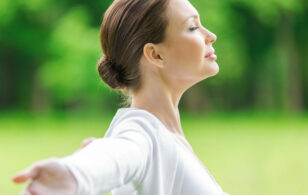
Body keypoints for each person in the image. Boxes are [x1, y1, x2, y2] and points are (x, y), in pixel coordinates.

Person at [12, 0, 228, 194]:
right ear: (156, 55)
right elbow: (120, 153)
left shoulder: (166, 137)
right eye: (192, 27)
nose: (211, 35)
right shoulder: (143, 129)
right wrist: (74, 173)